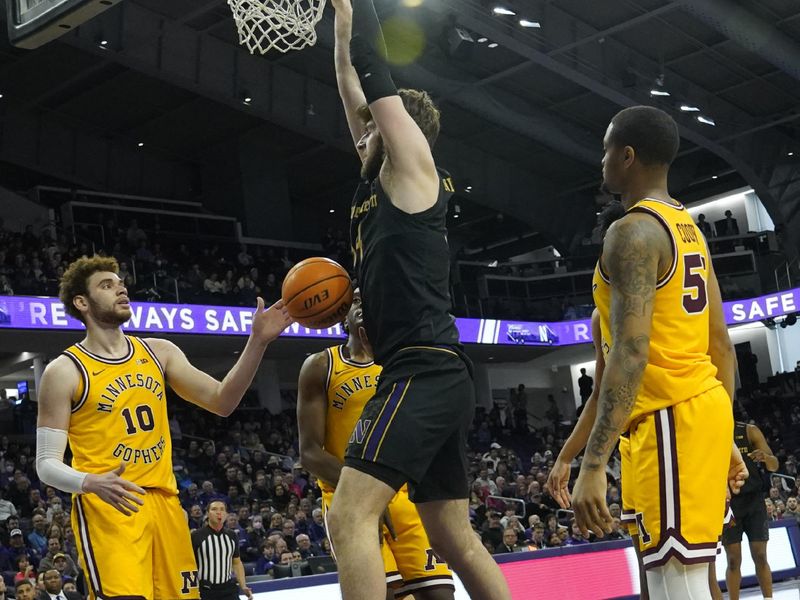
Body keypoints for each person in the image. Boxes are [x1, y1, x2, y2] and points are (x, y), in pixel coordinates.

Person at [326, 1, 511, 599]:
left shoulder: (411, 167)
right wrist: (340, 21)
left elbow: (372, 72)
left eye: (374, 121)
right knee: (452, 534)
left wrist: (358, 5)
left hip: (423, 369)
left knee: (348, 515)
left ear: (398, 127)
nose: (363, 124)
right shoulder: (375, 173)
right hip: (426, 367)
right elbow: (350, 80)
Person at [35, 255, 290, 600]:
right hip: (110, 506)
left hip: (167, 505)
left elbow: (222, 401)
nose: (121, 288)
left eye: (121, 282)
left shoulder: (159, 351)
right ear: (82, 302)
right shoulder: (63, 371)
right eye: (106, 285)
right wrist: (88, 482)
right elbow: (46, 464)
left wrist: (258, 341)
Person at [571, 106, 747, 600]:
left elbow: (629, 354)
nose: (602, 159)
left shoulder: (632, 232)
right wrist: (725, 433)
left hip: (670, 420)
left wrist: (591, 466)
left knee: (678, 586)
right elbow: (720, 345)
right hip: (698, 413)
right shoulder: (688, 227)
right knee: (677, 581)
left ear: (626, 156)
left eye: (606, 148)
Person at [297, 289, 454, 599]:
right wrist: (364, 491)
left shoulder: (401, 366)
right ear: (342, 313)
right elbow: (310, 453)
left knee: (439, 594)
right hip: (348, 497)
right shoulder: (320, 365)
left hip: (405, 497)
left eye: (369, 300)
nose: (362, 305)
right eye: (355, 300)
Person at [721, 422, 778, 600]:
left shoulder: (749, 430)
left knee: (760, 555)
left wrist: (766, 458)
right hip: (729, 503)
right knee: (733, 559)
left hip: (754, 501)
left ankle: (768, 598)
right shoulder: (711, 431)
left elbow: (774, 465)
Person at [191, 501, 252, 600]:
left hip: (228, 589)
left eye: (222, 509)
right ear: (207, 514)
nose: (219, 512)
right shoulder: (196, 536)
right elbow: (190, 564)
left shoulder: (232, 535)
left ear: (226, 514)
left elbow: (236, 563)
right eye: (214, 509)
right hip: (205, 590)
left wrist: (243, 586)